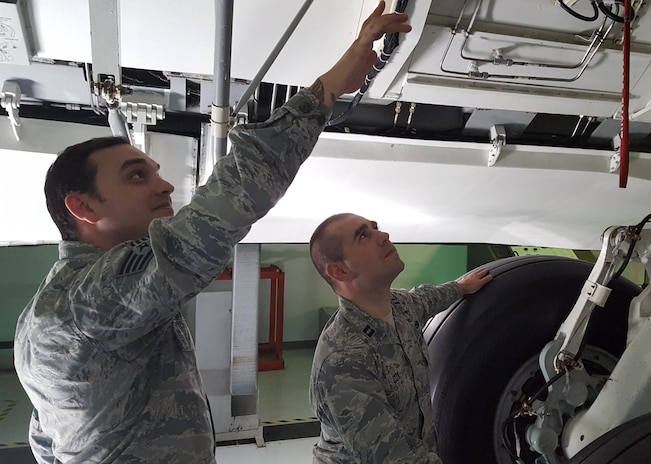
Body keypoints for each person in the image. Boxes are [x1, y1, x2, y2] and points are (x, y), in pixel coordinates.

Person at [13, 4, 411, 463]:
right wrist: (328, 89)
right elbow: (228, 202)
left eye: (156, 173)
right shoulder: (91, 298)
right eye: (137, 176)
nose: (164, 185)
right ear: (81, 207)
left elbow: (48, 440)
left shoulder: (46, 311)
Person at [308, 213, 493, 463]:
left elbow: (427, 298)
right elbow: (393, 458)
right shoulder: (344, 360)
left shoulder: (400, 306)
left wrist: (460, 287)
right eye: (364, 236)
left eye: (376, 229)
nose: (384, 236)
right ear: (339, 271)